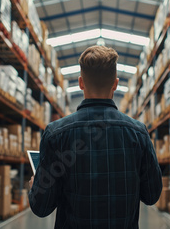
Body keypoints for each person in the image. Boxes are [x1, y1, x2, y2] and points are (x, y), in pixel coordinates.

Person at [28, 45, 162, 228]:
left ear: (81, 83)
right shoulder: (138, 133)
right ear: (115, 84)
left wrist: (37, 184)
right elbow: (152, 195)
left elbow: (41, 208)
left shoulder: (56, 134)